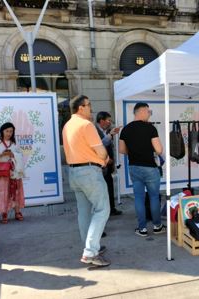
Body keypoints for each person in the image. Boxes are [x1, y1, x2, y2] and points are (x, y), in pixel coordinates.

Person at [62, 95, 111, 267]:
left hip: (74, 172)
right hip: (89, 172)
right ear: (80, 108)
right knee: (102, 210)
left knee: (84, 212)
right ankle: (90, 252)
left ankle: (90, 246)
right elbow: (101, 151)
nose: (91, 108)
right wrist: (105, 159)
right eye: (88, 105)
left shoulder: (67, 125)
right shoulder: (86, 125)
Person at [119, 102, 165, 237]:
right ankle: (157, 226)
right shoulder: (150, 128)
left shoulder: (126, 129)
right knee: (154, 197)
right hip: (150, 167)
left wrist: (135, 152)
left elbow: (122, 150)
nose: (149, 114)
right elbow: (159, 149)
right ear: (141, 111)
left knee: (138, 197)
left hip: (134, 167)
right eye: (148, 112)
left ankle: (142, 228)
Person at [0, 122, 25, 224]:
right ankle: (4, 212)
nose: (9, 133)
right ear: (2, 131)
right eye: (7, 131)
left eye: (11, 131)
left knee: (16, 191)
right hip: (2, 171)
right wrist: (3, 154)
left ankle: (17, 211)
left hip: (14, 171)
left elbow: (20, 154)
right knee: (3, 192)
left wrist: (13, 154)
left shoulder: (14, 142)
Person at [95, 111, 122, 216]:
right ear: (101, 121)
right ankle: (106, 211)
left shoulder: (104, 131)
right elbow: (100, 146)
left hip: (107, 166)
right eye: (108, 120)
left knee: (109, 187)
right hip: (101, 167)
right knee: (103, 190)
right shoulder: (95, 131)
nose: (110, 122)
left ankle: (111, 208)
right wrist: (110, 135)